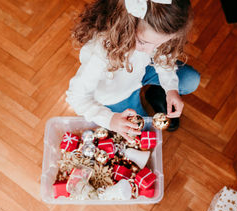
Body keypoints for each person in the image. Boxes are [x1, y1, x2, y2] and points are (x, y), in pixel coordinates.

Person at [66, 0, 200, 142]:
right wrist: (109, 119)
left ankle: (156, 94)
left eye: (160, 43)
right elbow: (76, 96)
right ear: (127, 26)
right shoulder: (100, 52)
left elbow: (162, 55)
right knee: (140, 132)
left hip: (141, 72)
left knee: (190, 80)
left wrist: (170, 87)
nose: (151, 50)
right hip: (116, 94)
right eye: (143, 42)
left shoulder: (152, 33)